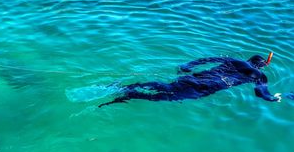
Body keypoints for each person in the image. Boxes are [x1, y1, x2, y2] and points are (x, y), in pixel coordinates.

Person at [99, 54, 281, 107]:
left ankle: (123, 87)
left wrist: (188, 66)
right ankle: (130, 94)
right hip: (207, 87)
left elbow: (206, 60)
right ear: (263, 65)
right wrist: (275, 97)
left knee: (165, 86)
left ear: (249, 59)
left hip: (196, 77)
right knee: (166, 96)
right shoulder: (259, 75)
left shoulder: (234, 60)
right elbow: (261, 93)